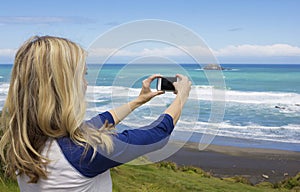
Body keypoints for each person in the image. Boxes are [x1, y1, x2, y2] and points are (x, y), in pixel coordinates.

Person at [0, 36, 192, 191]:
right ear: (64, 86)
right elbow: (157, 134)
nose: (86, 83)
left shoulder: (25, 142)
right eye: (83, 75)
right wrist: (181, 96)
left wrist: (137, 101)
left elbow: (94, 124)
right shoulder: (84, 153)